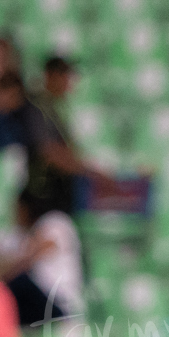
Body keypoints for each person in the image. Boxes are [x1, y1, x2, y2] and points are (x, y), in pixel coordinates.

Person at [21, 56, 115, 221]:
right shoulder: (37, 107)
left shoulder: (53, 107)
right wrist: (90, 172)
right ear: (50, 76)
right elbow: (49, 151)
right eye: (64, 75)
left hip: (58, 195)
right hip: (43, 198)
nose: (69, 81)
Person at [0, 191, 85, 326]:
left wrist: (2, 273)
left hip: (59, 302)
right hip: (40, 302)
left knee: (16, 282)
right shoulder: (22, 235)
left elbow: (33, 256)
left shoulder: (56, 222)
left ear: (26, 208)